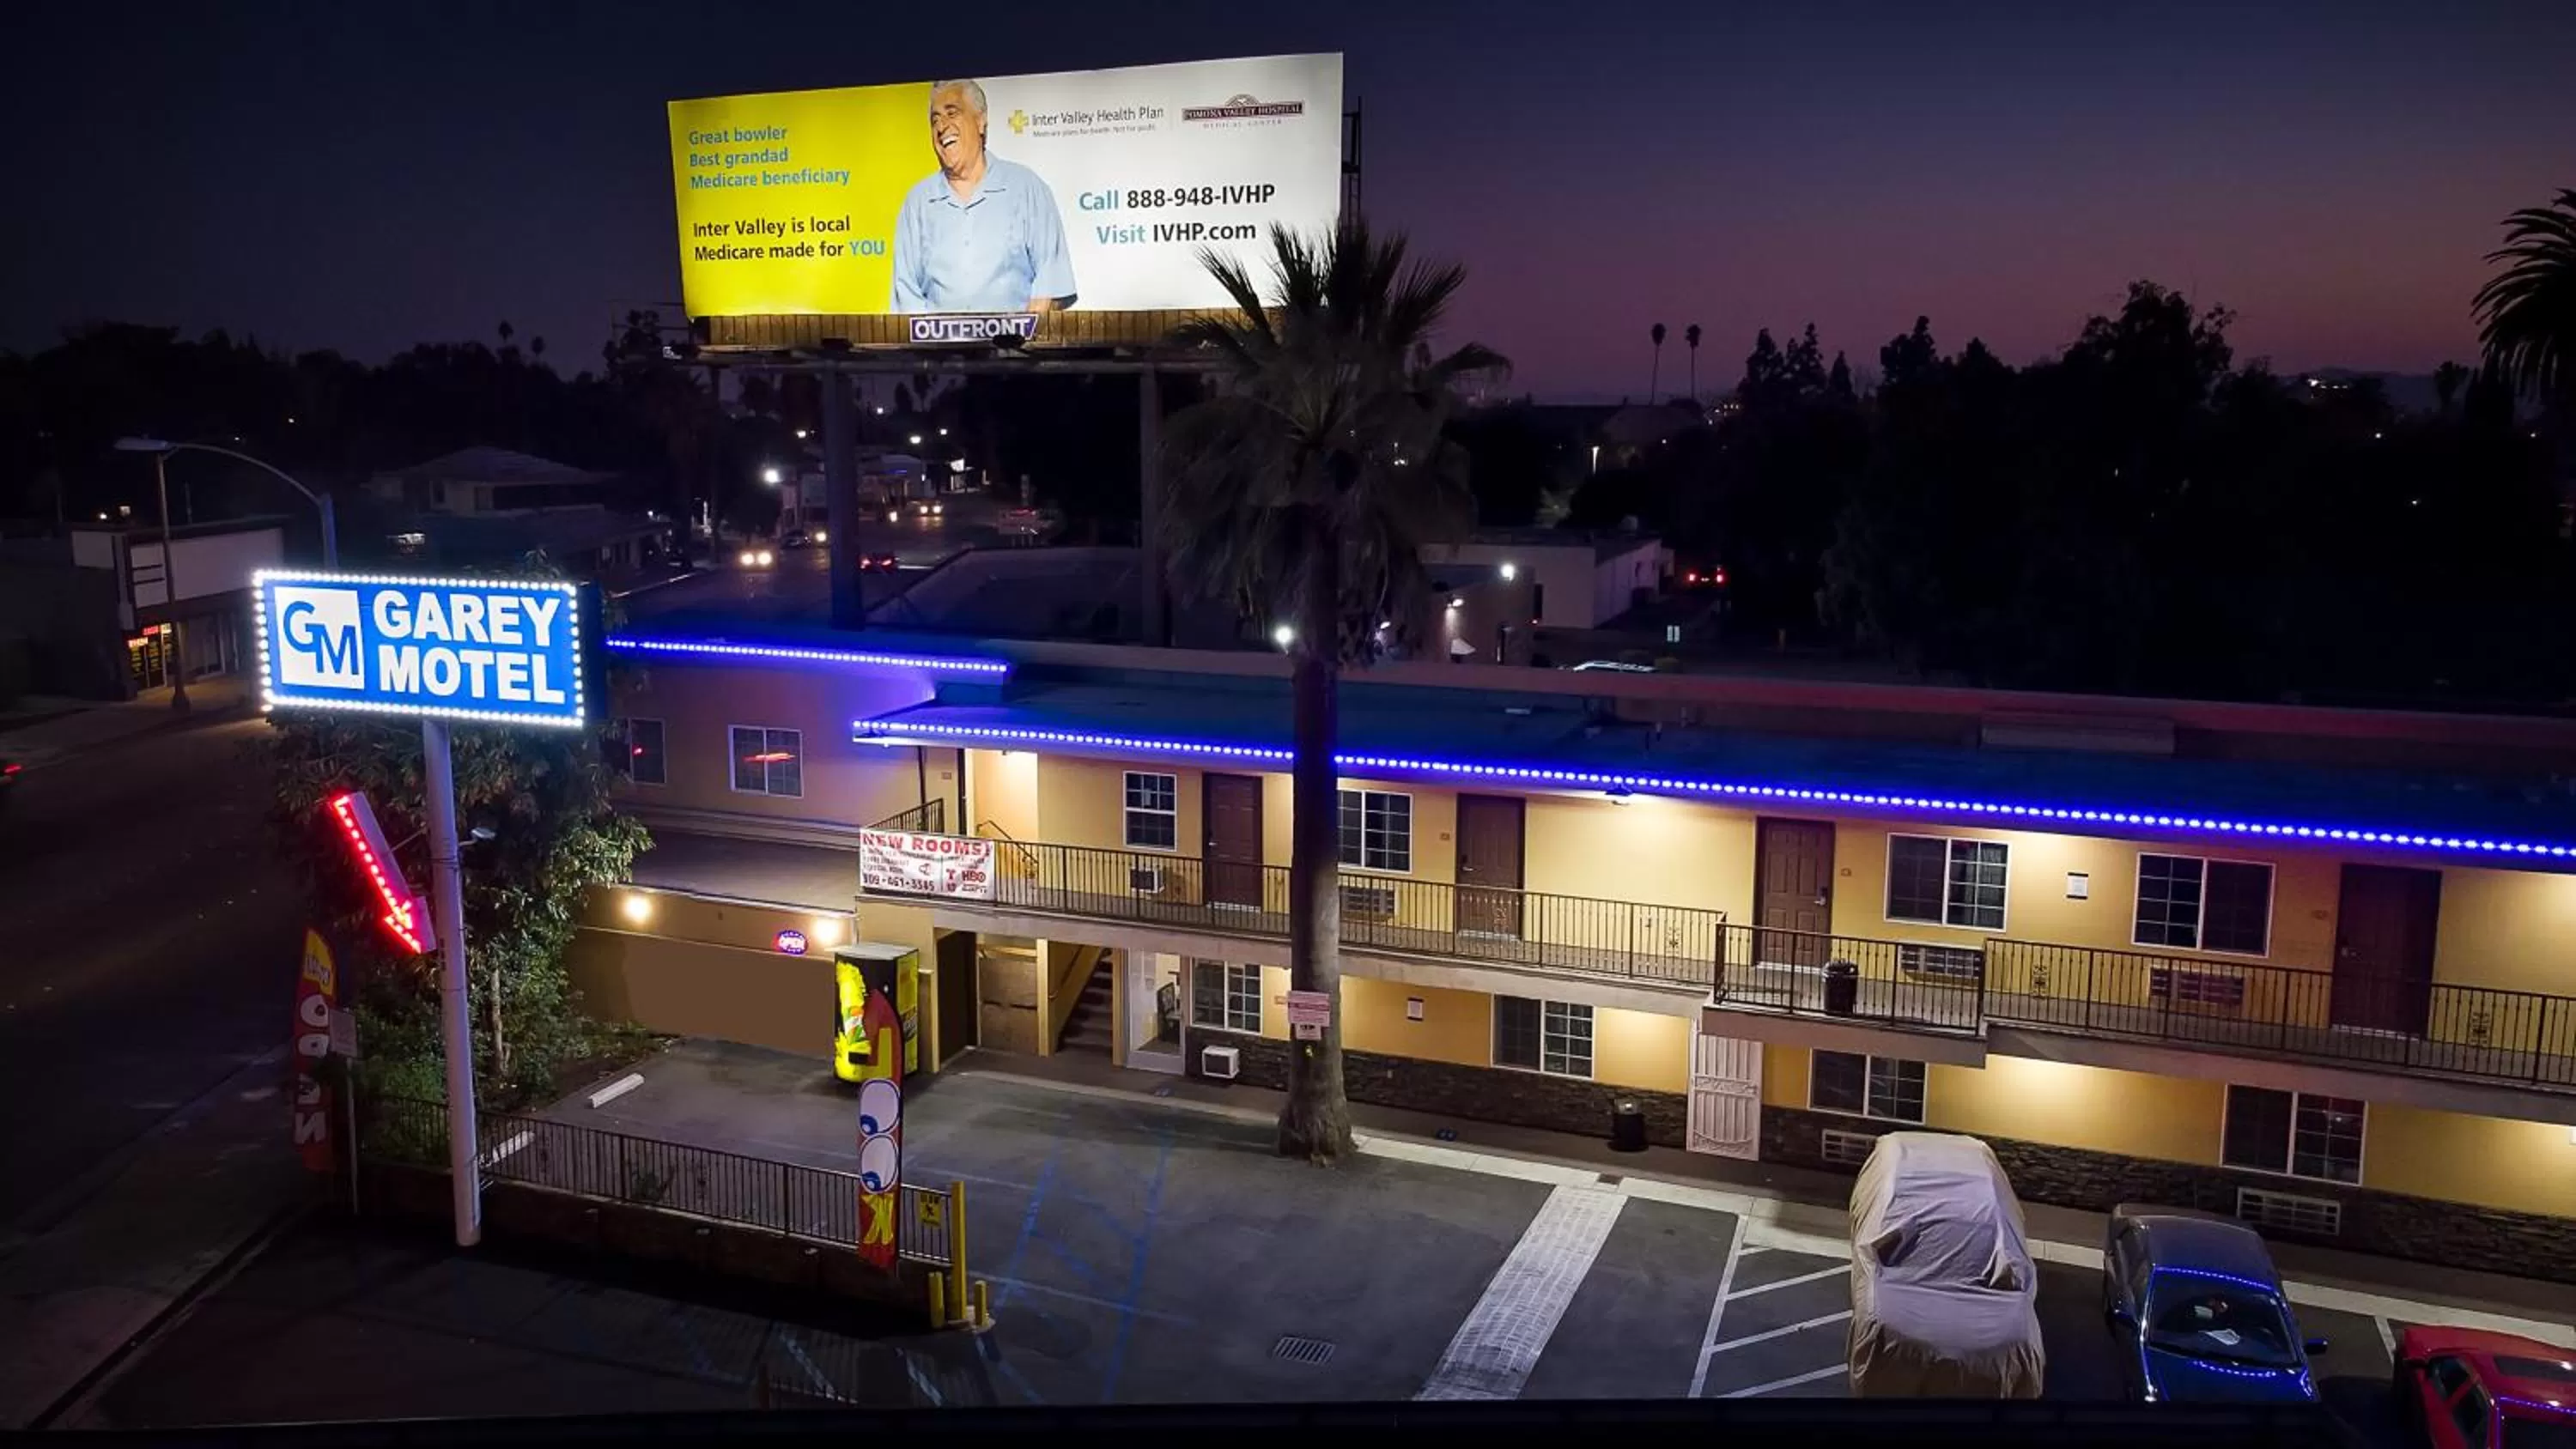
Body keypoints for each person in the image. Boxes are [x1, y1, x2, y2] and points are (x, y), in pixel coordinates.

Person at [889, 79, 1077, 314]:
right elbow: (906, 294)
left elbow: (1050, 285)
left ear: (980, 121)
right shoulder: (917, 203)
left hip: (1015, 349)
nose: (941, 127)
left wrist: (1019, 341)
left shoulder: (1027, 188)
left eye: (952, 113)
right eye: (935, 120)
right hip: (936, 350)